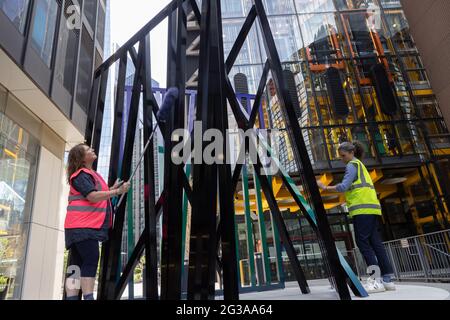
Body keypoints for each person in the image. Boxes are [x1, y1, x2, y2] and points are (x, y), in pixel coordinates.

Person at [317, 141, 396, 293]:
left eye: (343, 155)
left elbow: (343, 187)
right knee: (376, 243)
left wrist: (325, 187)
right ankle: (387, 280)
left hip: (362, 209)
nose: (342, 158)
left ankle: (375, 280)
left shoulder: (352, 165)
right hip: (372, 208)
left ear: (351, 152)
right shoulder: (360, 165)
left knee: (363, 243)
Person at [64, 143, 130, 300]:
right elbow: (92, 196)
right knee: (92, 257)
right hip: (83, 226)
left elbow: (98, 193)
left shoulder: (90, 174)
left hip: (79, 226)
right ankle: (88, 297)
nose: (92, 150)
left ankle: (72, 298)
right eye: (88, 150)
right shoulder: (80, 175)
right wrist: (117, 191)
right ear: (81, 158)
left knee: (76, 264)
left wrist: (112, 188)